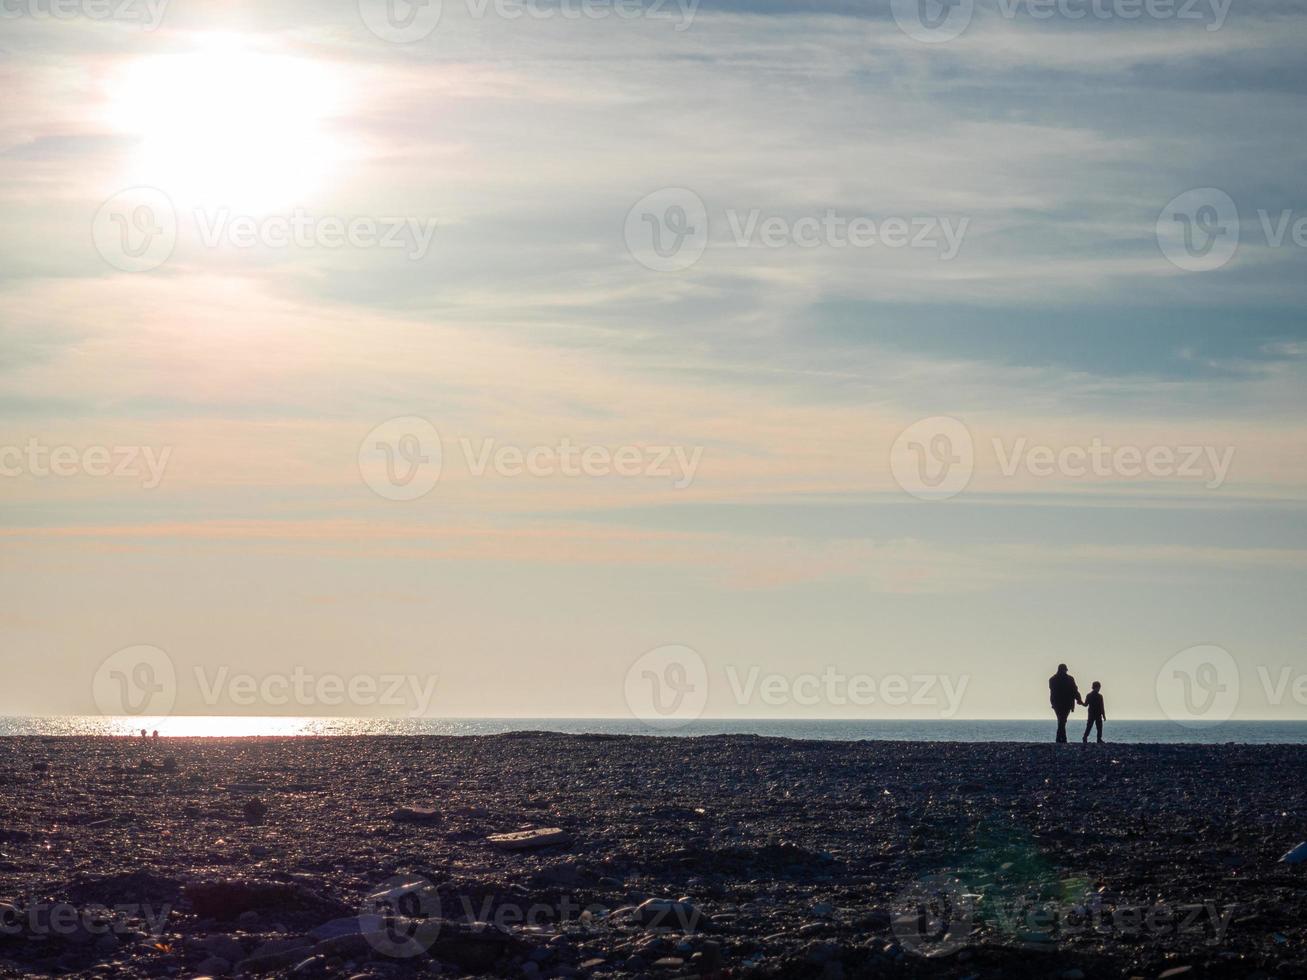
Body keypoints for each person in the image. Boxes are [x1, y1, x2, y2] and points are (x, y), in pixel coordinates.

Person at [1048, 664, 1084, 743]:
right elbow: (1074, 690)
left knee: (1061, 720)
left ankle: (1060, 739)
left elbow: (1074, 690)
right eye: (1065, 670)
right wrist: (1079, 699)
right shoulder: (1069, 679)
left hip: (1058, 703)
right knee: (1062, 720)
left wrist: (1079, 699)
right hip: (1065, 703)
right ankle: (1062, 739)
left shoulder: (1052, 679)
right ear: (1063, 670)